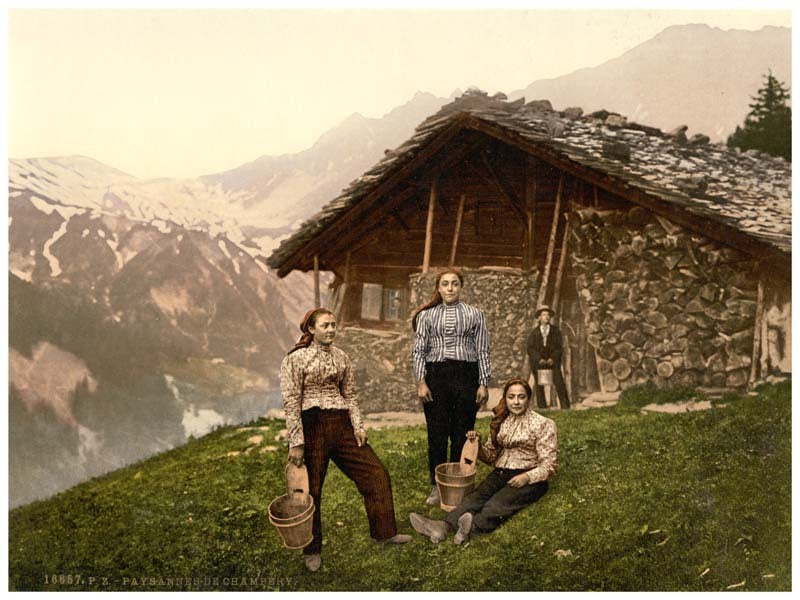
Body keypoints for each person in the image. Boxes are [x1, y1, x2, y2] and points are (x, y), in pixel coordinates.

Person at [280, 308, 411, 572]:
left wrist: (358, 427)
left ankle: (384, 533)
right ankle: (311, 549)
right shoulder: (294, 360)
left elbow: (350, 395)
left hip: (342, 425)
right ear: (311, 330)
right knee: (311, 490)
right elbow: (291, 402)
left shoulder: (342, 358)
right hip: (312, 425)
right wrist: (297, 441)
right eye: (325, 326)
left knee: (376, 474)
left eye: (333, 325)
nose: (331, 330)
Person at [408, 378, 557, 544]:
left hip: (530, 479)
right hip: (501, 472)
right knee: (474, 498)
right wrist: (476, 445)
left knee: (498, 503)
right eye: (511, 397)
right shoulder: (502, 421)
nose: (516, 402)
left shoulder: (544, 424)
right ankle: (443, 526)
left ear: (529, 399)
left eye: (521, 397)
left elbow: (549, 465)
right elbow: (492, 457)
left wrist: (527, 477)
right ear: (505, 399)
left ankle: (471, 529)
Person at [412, 269, 491, 506]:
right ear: (438, 288)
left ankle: (458, 482)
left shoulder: (475, 315)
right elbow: (419, 351)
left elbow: (483, 350)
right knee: (437, 433)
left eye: (455, 284)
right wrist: (421, 381)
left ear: (461, 287)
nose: (450, 288)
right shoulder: (427, 317)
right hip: (436, 376)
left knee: (461, 432)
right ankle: (437, 486)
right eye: (445, 284)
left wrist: (483, 383)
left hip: (466, 375)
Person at [526, 305, 570, 409]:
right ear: (539, 318)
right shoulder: (534, 333)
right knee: (539, 385)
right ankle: (542, 407)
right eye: (544, 314)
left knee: (559, 382)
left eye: (548, 315)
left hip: (552, 363)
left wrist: (553, 358)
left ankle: (565, 407)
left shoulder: (555, 331)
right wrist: (538, 359)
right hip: (539, 363)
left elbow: (559, 347)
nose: (546, 317)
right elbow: (530, 349)